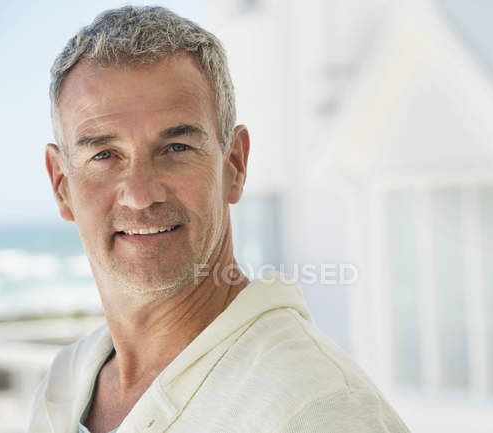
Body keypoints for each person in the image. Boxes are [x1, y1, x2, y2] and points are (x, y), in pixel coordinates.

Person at [29, 6, 409, 433]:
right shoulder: (62, 386)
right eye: (104, 155)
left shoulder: (318, 408)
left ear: (234, 165)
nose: (140, 195)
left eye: (175, 148)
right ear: (62, 185)